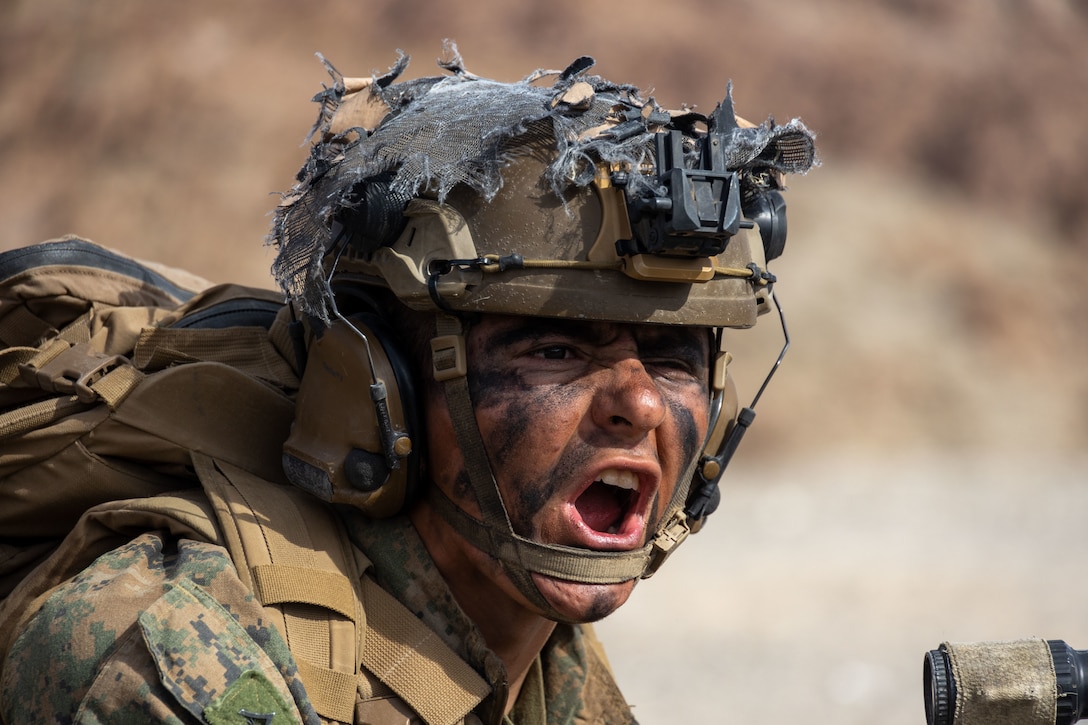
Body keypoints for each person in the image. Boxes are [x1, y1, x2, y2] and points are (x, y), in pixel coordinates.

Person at [0, 46, 816, 724]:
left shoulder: (527, 637)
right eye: (556, 351)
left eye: (673, 356)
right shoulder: (177, 643)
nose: (638, 404)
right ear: (376, 386)